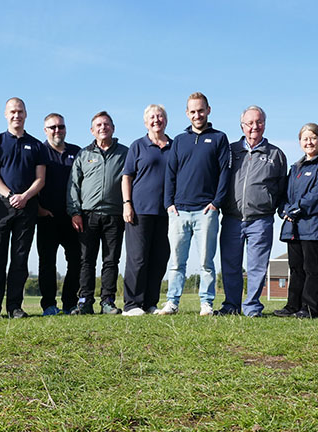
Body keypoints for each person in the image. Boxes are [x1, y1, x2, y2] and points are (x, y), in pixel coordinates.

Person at [162, 92, 230, 316]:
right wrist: (169, 204)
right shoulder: (180, 140)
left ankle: (206, 303)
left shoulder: (219, 138)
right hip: (179, 211)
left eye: (200, 110)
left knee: (206, 262)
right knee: (176, 263)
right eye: (192, 111)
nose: (197, 115)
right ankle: (172, 302)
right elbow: (170, 173)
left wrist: (216, 203)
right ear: (187, 113)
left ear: (208, 110)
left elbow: (224, 174)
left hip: (206, 212)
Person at [217, 106, 288, 317]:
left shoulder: (276, 155)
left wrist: (277, 207)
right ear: (242, 126)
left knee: (257, 267)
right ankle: (231, 305)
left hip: (261, 220)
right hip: (232, 218)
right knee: (230, 265)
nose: (254, 127)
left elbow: (282, 188)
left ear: (264, 124)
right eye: (249, 123)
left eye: (258, 122)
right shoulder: (230, 152)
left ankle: (252, 306)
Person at [0, 97, 47, 320]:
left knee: (20, 259)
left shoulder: (37, 145)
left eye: (20, 111)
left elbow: (41, 179)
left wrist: (25, 196)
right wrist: (9, 195)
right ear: (5, 114)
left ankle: (14, 307)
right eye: (12, 111)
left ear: (26, 114)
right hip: (1, 208)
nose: (16, 115)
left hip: (27, 208)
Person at [274, 123, 318, 318]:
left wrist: (296, 208)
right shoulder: (295, 168)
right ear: (300, 142)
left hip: (313, 225)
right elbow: (284, 194)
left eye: (313, 138)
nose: (309, 142)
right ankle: (292, 306)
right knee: (295, 267)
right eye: (305, 139)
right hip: (293, 226)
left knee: (310, 268)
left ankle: (309, 309)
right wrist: (284, 209)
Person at [67, 111, 128, 315]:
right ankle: (85, 301)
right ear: (92, 131)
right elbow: (73, 185)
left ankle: (108, 301)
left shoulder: (125, 153)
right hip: (87, 215)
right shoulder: (84, 155)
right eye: (98, 125)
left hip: (115, 214)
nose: (103, 128)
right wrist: (74, 212)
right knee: (87, 260)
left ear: (113, 127)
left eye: (106, 124)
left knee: (111, 260)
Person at [121, 104, 172, 316]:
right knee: (138, 258)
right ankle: (131, 304)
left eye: (160, 116)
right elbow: (127, 177)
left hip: (166, 211)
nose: (156, 120)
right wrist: (127, 203)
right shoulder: (138, 146)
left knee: (159, 257)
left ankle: (150, 302)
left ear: (165, 120)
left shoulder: (174, 146)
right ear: (145, 122)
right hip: (140, 210)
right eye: (152, 117)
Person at [36, 113, 81, 316]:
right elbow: (30, 181)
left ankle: (70, 302)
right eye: (52, 127)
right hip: (46, 217)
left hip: (72, 218)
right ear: (45, 130)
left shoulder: (77, 152)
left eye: (60, 127)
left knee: (76, 260)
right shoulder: (39, 151)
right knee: (47, 263)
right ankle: (49, 305)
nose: (57, 130)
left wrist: (77, 212)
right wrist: (37, 208)